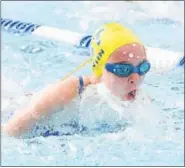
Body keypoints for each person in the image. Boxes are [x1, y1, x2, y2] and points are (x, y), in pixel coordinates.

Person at [3, 22, 151, 138]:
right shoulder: (72, 90)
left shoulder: (139, 98)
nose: (135, 79)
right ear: (101, 70)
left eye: (143, 67)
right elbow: (12, 129)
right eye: (123, 70)